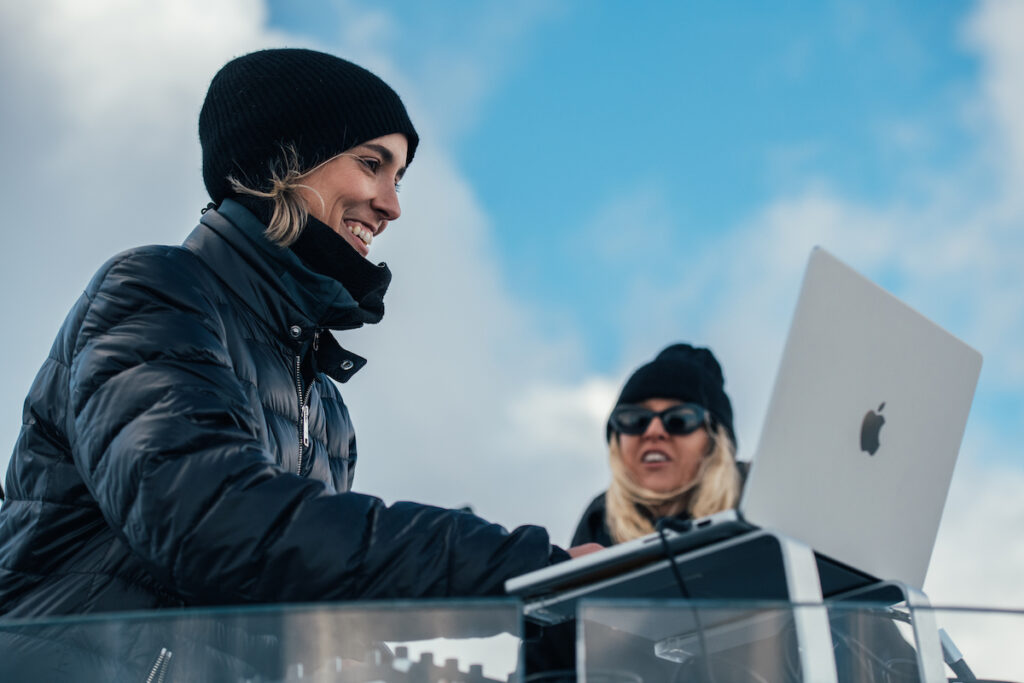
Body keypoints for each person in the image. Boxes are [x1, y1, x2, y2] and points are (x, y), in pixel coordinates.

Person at [0, 48, 585, 679]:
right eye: (372, 164)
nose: (391, 206)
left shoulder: (325, 403)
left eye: (399, 177)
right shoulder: (155, 290)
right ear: (283, 160)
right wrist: (519, 570)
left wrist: (546, 631)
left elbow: (329, 622)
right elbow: (209, 518)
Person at [573, 342, 745, 547]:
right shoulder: (597, 523)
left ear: (715, 440)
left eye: (679, 420)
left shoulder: (763, 502)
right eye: (635, 419)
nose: (653, 432)